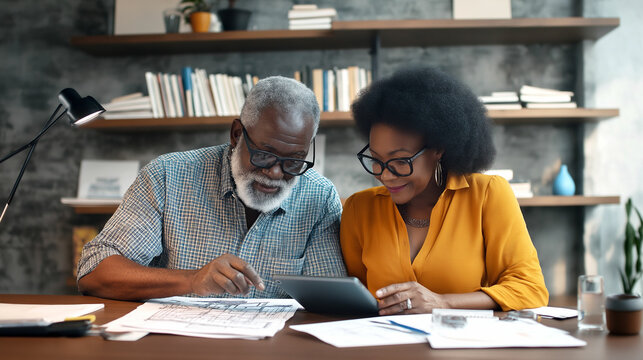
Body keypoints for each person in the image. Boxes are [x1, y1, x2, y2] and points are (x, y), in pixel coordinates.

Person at [78, 76, 346, 300]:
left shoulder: (319, 197)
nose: (275, 172)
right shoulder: (168, 176)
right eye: (264, 154)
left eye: (294, 161)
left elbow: (332, 301)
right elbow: (94, 273)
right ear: (237, 135)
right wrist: (192, 279)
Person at [340, 67, 548, 315]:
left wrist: (443, 303)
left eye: (400, 161)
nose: (385, 174)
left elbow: (530, 289)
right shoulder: (359, 208)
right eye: (376, 160)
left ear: (438, 149)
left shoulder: (488, 195)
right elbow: (355, 298)